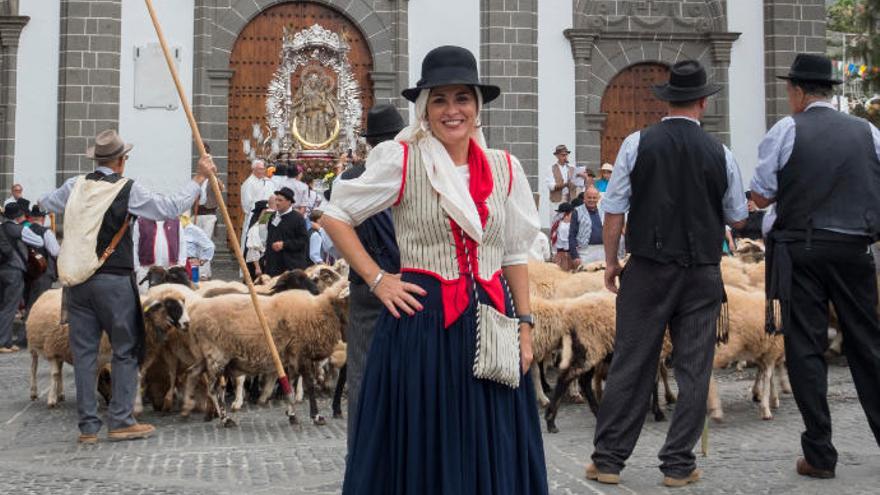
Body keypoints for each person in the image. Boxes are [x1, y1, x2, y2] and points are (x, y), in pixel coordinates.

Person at [323, 45, 548, 495]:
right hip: (424, 324)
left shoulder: (506, 168)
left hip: (493, 321)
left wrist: (525, 325)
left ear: (477, 107)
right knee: (430, 435)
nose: (452, 110)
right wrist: (379, 279)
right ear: (425, 109)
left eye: (462, 98)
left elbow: (514, 253)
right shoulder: (402, 159)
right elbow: (335, 215)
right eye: (439, 100)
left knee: (492, 434)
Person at [587, 60, 747, 488]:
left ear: (667, 101)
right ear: (702, 101)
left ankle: (608, 461)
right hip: (702, 273)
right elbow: (738, 214)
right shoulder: (722, 152)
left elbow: (614, 209)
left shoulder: (637, 143)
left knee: (632, 362)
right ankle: (678, 465)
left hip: (649, 269)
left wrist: (612, 261)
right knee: (694, 367)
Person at [750, 53, 880, 480]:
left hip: (802, 250)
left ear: (800, 92)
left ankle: (820, 454)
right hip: (856, 249)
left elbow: (764, 195)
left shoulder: (788, 129)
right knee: (868, 345)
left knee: (805, 348)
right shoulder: (868, 132)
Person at [38, 129, 215, 443]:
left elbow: (43, 204)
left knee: (85, 355)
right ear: (122, 161)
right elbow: (169, 208)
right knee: (125, 350)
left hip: (77, 283)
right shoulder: (127, 189)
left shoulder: (73, 185)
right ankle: (120, 419)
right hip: (114, 281)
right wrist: (199, 178)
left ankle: (88, 427)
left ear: (97, 158)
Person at [330, 103, 404, 454]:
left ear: (369, 142)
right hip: (409, 283)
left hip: (367, 283)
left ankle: (362, 451)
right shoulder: (408, 172)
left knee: (362, 372)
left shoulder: (349, 178)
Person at [0, 202, 45, 353]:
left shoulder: (1, 228)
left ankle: (4, 340)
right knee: (10, 306)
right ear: (19, 216)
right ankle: (3, 342)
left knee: (2, 305)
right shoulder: (19, 229)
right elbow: (39, 241)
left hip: (2, 269)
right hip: (14, 270)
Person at [191, 144, 223, 280]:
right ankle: (201, 272)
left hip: (209, 214)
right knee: (196, 243)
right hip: (197, 214)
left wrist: (213, 175)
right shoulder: (198, 177)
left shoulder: (212, 178)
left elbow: (221, 188)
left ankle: (203, 273)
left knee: (205, 242)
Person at [132, 217, 186, 293]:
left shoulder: (175, 221)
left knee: (168, 300)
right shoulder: (141, 221)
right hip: (146, 271)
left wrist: (181, 264)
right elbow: (134, 245)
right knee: (146, 300)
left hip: (170, 271)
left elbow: (182, 243)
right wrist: (137, 268)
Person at [264, 186, 309, 276]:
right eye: (276, 200)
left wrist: (284, 244)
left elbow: (303, 241)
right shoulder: (272, 216)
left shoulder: (298, 218)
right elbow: (269, 238)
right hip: (273, 265)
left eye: (280, 200)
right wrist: (266, 258)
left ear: (289, 202)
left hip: (291, 266)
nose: (277, 203)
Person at [24, 205, 60, 311]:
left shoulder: (24, 230)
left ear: (31, 217)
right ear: (43, 219)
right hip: (43, 272)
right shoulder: (46, 232)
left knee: (29, 303)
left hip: (27, 272)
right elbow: (55, 252)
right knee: (40, 306)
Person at [240, 159, 275, 249]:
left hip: (268, 214)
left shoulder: (268, 182)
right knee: (253, 239)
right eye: (260, 169)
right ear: (253, 169)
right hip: (255, 215)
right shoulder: (248, 183)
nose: (262, 171)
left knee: (264, 236)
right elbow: (247, 203)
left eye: (263, 169)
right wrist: (260, 208)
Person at [545, 144, 575, 224]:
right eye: (562, 155)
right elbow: (550, 186)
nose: (565, 157)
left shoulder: (571, 168)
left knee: (569, 222)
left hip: (569, 198)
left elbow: (576, 184)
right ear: (557, 156)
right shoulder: (551, 168)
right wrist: (564, 185)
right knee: (555, 221)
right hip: (557, 199)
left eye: (566, 155)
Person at [181, 212, 214, 281]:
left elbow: (209, 246)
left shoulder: (192, 229)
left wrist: (201, 261)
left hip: (190, 266)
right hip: (174, 268)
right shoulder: (166, 226)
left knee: (192, 289)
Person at [244, 199, 272, 278]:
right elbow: (253, 249)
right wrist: (257, 268)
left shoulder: (267, 226)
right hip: (256, 263)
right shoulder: (254, 229)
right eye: (265, 213)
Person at [550, 202, 579, 272]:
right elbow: (567, 244)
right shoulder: (566, 226)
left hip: (559, 254)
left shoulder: (557, 224)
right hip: (566, 255)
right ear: (567, 214)